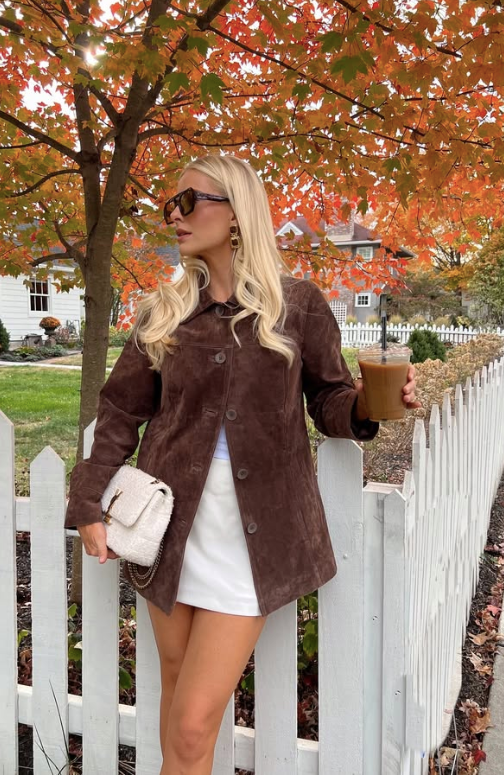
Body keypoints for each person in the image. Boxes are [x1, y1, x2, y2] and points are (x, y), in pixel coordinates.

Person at [64, 154, 420, 775]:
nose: (174, 216)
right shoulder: (163, 312)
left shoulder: (298, 305)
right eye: (170, 205)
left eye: (189, 202)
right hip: (172, 530)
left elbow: (330, 400)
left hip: (252, 538)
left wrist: (367, 403)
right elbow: (120, 408)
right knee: (177, 699)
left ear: (236, 213)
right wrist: (89, 500)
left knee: (196, 721)